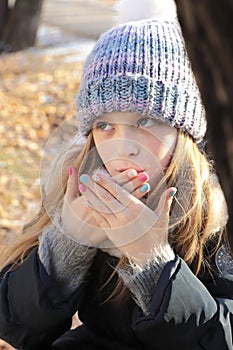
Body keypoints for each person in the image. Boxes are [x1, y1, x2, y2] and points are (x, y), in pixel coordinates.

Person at [0, 0, 233, 349]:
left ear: (184, 129)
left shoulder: (218, 212)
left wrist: (152, 261)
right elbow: (16, 325)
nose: (124, 145)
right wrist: (67, 244)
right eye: (105, 125)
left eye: (146, 122)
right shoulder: (77, 187)